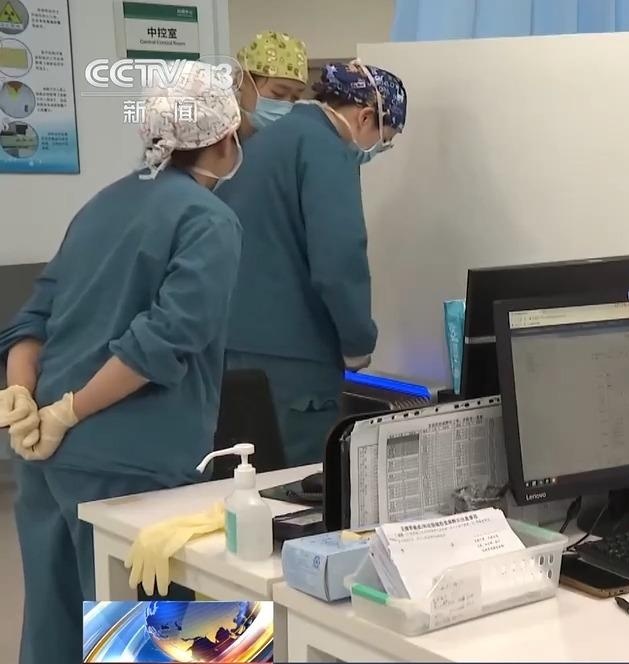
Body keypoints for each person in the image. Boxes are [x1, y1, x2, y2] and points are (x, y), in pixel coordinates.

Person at [0, 63, 243, 664]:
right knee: (153, 640)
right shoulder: (209, 219)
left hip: (44, 459)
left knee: (54, 628)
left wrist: (23, 396)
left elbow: (33, 317)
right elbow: (166, 337)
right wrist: (69, 411)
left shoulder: (102, 205)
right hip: (130, 464)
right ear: (223, 139)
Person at [217, 60, 407, 466]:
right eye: (384, 140)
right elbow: (339, 260)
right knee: (297, 488)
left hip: (232, 349)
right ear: (365, 116)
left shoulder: (265, 143)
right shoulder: (326, 149)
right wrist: (357, 342)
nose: (376, 151)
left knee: (248, 475)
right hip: (295, 362)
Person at [234, 30, 309, 139]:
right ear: (244, 81)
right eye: (278, 94)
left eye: (295, 98)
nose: (286, 107)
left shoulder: (296, 143)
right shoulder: (217, 139)